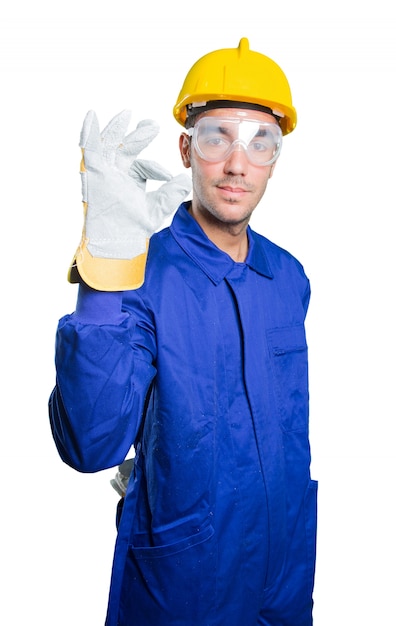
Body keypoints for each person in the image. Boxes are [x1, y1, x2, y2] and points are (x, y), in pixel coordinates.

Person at [49, 37, 317, 626]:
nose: (237, 162)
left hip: (284, 576)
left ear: (276, 156)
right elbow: (90, 445)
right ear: (186, 148)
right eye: (218, 135)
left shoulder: (287, 277)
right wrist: (107, 267)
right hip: (183, 585)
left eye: (260, 141)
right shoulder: (139, 271)